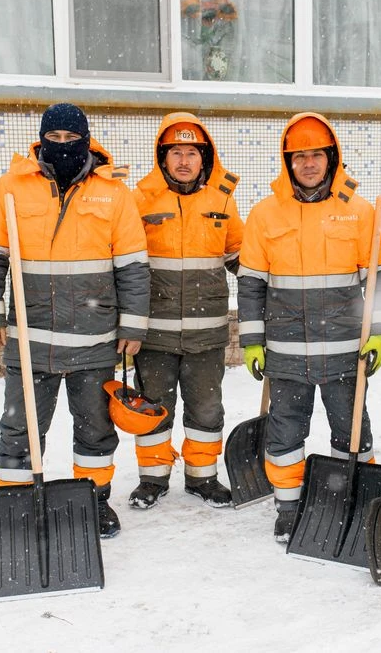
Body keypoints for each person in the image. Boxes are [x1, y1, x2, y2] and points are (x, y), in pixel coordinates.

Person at [0, 103, 151, 539]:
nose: (64, 147)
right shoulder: (12, 187)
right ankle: (14, 508)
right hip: (30, 339)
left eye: (72, 139)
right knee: (20, 427)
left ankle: (94, 500)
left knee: (95, 429)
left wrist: (133, 325)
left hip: (94, 340)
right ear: (41, 139)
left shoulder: (113, 193)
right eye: (55, 139)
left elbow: (132, 267)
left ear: (86, 140)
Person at [237, 112, 381, 543]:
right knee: (285, 428)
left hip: (347, 350)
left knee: (352, 428)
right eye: (298, 156)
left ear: (331, 157)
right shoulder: (265, 215)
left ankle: (355, 498)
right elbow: (251, 284)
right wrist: (252, 341)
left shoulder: (360, 213)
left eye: (316, 155)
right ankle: (288, 507)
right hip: (286, 351)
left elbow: (379, 280)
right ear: (287, 162)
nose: (308, 164)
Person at [127, 113, 243, 509]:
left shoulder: (222, 200)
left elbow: (240, 258)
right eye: (175, 152)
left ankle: (202, 477)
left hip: (207, 333)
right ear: (163, 157)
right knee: (154, 408)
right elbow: (125, 263)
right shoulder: (140, 200)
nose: (183, 160)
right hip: (153, 332)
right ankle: (153, 479)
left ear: (203, 157)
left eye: (191, 152)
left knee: (206, 408)